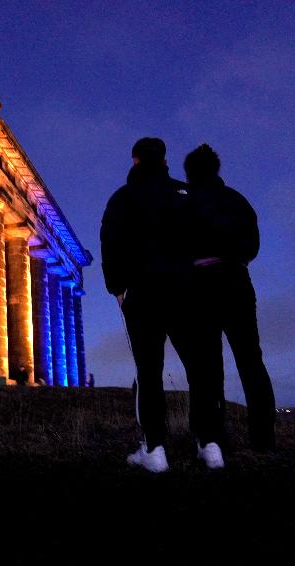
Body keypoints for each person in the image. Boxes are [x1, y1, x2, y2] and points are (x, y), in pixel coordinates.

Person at [100, 137, 192, 473]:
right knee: (200, 368)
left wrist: (118, 289)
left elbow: (110, 243)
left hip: (142, 295)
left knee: (148, 373)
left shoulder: (123, 198)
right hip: (185, 292)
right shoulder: (185, 193)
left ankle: (154, 451)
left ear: (135, 161)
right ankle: (210, 445)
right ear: (165, 160)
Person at [182, 144, 276, 459]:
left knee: (206, 366)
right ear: (216, 170)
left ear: (190, 172)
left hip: (199, 286)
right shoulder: (237, 201)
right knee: (251, 360)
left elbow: (172, 249)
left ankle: (211, 440)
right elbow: (252, 246)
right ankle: (263, 439)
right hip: (236, 281)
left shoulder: (184, 203)